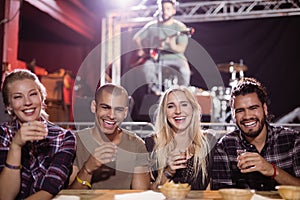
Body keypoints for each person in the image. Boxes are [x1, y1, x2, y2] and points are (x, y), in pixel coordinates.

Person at [211, 77, 300, 190]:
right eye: (240, 110)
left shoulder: (292, 140)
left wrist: (272, 170)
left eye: (253, 108)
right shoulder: (225, 146)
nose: (247, 116)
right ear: (233, 115)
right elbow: (221, 195)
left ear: (265, 109)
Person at [0, 69, 76, 200]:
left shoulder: (64, 138)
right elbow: (5, 196)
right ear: (9, 106)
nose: (27, 102)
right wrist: (16, 146)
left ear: (42, 98)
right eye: (18, 97)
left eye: (33, 94)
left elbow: (48, 191)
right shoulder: (3, 134)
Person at [69, 83, 150, 189]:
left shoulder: (136, 145)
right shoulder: (74, 142)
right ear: (94, 107)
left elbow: (141, 196)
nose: (112, 115)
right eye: (105, 107)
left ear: (125, 113)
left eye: (118, 110)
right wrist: (87, 169)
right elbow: (69, 196)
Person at [146, 85, 212, 190]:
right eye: (171, 106)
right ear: (164, 112)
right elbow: (146, 193)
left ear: (193, 109)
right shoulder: (151, 143)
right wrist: (168, 172)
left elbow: (211, 190)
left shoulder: (208, 141)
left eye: (184, 105)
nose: (178, 111)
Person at [133, 0, 191, 94]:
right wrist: (141, 50)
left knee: (185, 70)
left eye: (168, 9)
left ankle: (183, 92)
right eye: (163, 9)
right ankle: (156, 92)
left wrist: (172, 45)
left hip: (176, 58)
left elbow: (181, 49)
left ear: (173, 11)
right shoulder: (152, 26)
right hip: (157, 59)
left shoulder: (180, 28)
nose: (165, 12)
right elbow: (137, 38)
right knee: (148, 66)